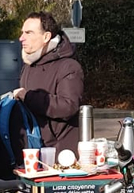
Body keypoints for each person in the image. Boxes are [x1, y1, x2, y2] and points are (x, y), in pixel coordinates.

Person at [14, 11, 84, 155]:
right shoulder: (28, 66)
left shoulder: (69, 66)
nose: (21, 38)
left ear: (46, 36)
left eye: (29, 33)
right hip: (32, 151)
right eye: (22, 33)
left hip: (59, 156)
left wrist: (28, 97)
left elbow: (68, 106)